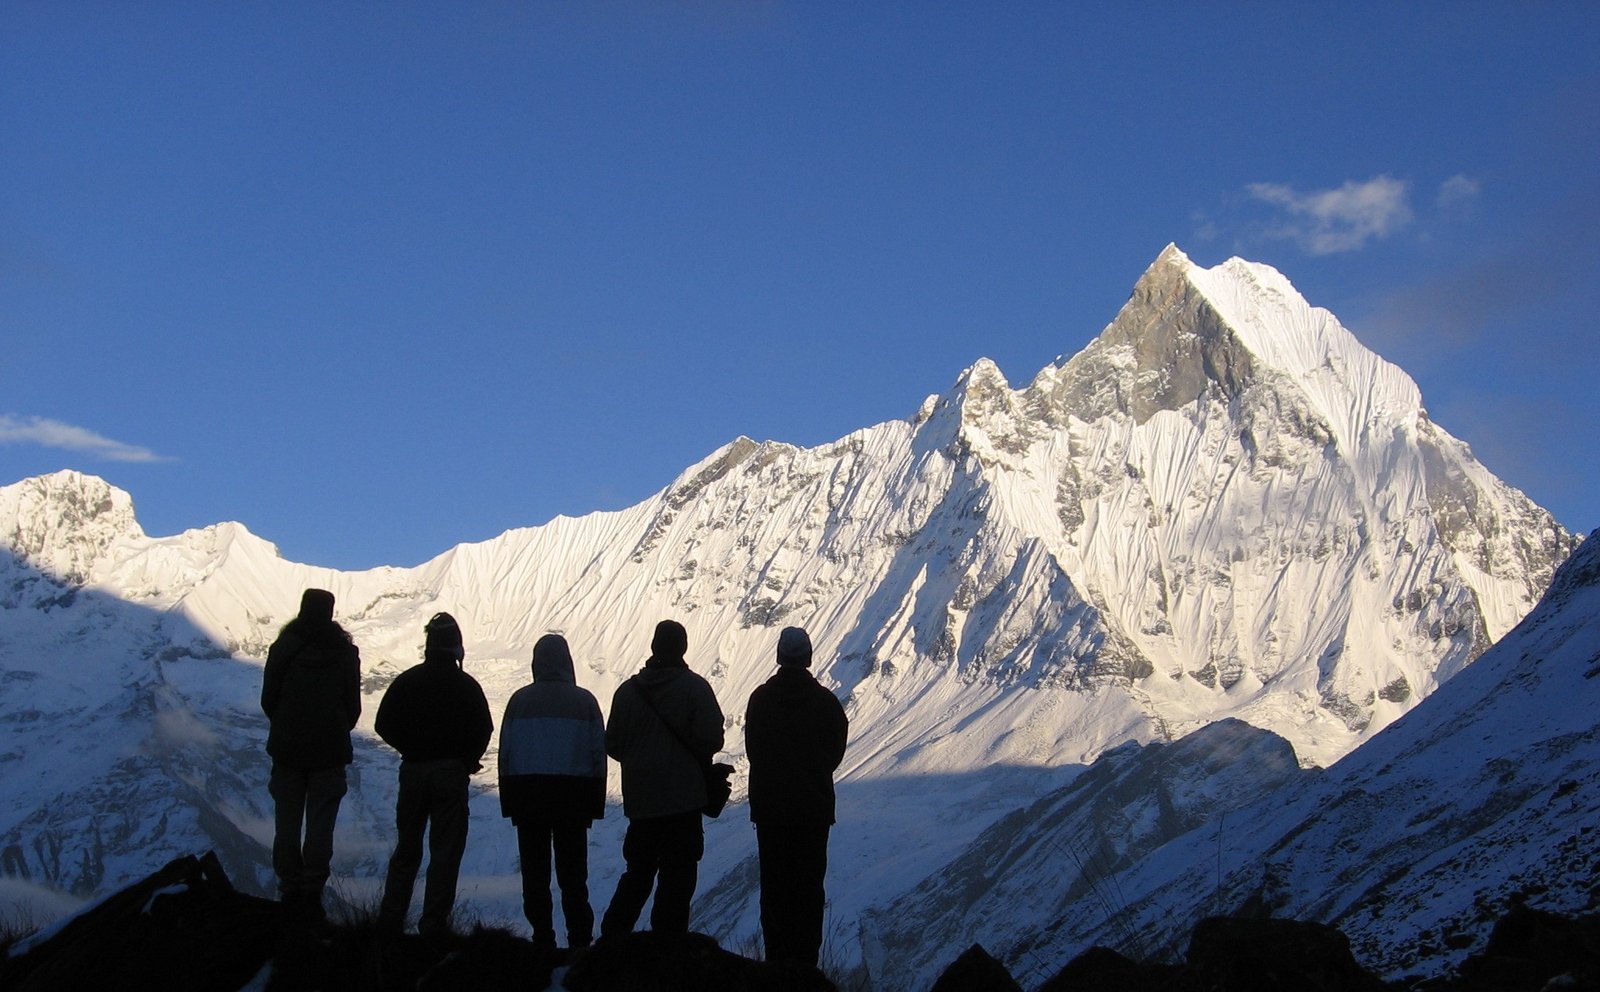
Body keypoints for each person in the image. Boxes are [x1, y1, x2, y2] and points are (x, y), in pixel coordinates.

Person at [599, 620, 725, 937]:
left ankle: (612, 940)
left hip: (642, 803)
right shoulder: (695, 688)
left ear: (654, 647)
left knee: (638, 873)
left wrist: (641, 761)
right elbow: (712, 737)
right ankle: (668, 945)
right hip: (684, 802)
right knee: (678, 876)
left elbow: (612, 743)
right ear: (682, 648)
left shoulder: (628, 693)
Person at [374, 612, 493, 936]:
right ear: (456, 647)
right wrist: (466, 760)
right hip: (450, 773)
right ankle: (433, 923)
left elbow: (382, 723)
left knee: (406, 849)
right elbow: (484, 727)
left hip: (413, 771)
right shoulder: (466, 685)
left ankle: (391, 919)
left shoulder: (408, 681)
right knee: (445, 851)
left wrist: (410, 748)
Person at [744, 626, 849, 968]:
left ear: (779, 656)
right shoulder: (826, 703)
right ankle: (805, 964)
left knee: (775, 887)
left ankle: (776, 961)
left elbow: (754, 750)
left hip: (771, 809)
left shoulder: (760, 699)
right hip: (812, 810)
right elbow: (835, 753)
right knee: (808, 889)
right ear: (808, 657)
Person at [498, 633, 607, 950]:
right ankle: (579, 940)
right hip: (572, 798)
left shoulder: (519, 701)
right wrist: (593, 805)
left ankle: (542, 937)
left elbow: (506, 754)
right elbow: (597, 755)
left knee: (535, 877)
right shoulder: (585, 701)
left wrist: (511, 803)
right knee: (574, 878)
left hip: (529, 797)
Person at [261, 588, 362, 919]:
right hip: (329, 752)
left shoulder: (284, 648)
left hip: (288, 749)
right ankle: (312, 891)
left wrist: (287, 725)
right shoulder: (345, 654)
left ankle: (289, 887)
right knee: (321, 825)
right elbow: (353, 709)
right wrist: (333, 728)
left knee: (286, 823)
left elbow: (268, 699)